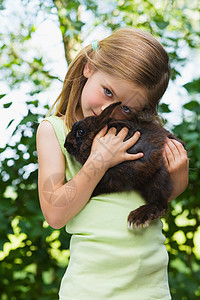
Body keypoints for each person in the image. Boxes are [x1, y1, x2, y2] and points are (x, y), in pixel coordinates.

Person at [36, 28, 189, 299]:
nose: (111, 110)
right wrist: (98, 161)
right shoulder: (55, 131)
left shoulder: (135, 134)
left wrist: (178, 175)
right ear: (89, 68)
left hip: (150, 289)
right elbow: (55, 214)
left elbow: (158, 195)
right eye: (107, 91)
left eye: (127, 109)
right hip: (90, 289)